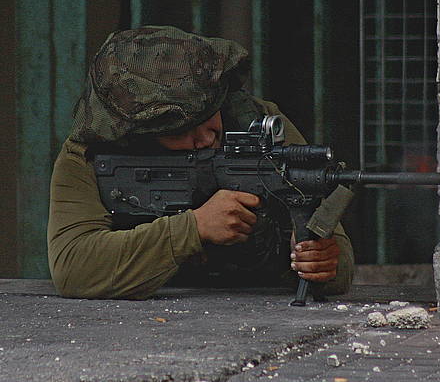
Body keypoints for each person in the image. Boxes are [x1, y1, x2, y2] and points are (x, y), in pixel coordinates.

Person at [48, 26, 354, 299]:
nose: (207, 136)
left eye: (209, 113)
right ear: (137, 132)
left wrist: (318, 259)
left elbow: (337, 263)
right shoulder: (92, 152)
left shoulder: (258, 123)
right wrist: (193, 229)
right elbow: (74, 268)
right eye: (181, 131)